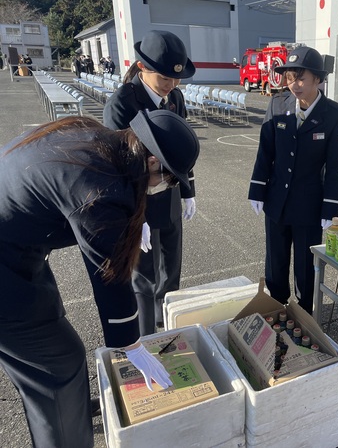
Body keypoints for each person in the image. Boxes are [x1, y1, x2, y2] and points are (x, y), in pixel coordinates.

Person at [0, 110, 199, 448]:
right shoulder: (101, 192)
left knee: (50, 323)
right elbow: (110, 278)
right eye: (168, 179)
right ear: (152, 162)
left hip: (19, 249)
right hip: (7, 266)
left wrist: (132, 223)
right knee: (57, 363)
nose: (164, 187)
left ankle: (66, 409)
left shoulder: (96, 138)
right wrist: (130, 344)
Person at [103, 30, 197, 335]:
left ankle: (168, 319)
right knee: (143, 275)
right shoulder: (122, 103)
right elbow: (119, 168)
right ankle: (147, 334)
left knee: (171, 265)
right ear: (143, 68)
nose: (172, 84)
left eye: (176, 78)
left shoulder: (176, 98)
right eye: (165, 77)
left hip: (168, 194)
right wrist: (134, 213)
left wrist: (188, 191)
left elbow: (182, 151)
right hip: (139, 200)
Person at [248, 46, 338, 314]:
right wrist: (257, 190)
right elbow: (265, 151)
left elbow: (335, 165)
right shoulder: (277, 104)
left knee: (306, 269)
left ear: (318, 78)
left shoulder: (335, 115)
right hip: (276, 202)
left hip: (309, 205)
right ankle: (276, 312)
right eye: (290, 78)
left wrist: (330, 208)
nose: (294, 85)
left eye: (301, 78)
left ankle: (305, 317)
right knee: (275, 264)